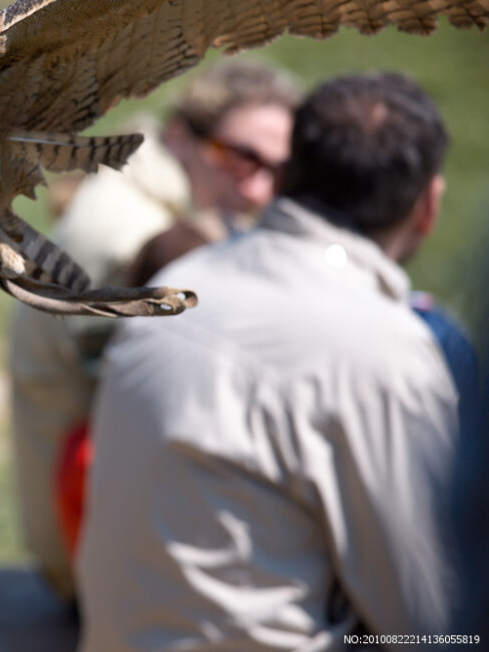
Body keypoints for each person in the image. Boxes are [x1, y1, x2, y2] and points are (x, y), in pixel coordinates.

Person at [78, 72, 460, 650]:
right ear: (428, 205)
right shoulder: (387, 349)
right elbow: (434, 620)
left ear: (287, 171)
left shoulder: (181, 284)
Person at [8, 60, 301, 598]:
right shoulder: (144, 237)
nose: (259, 190)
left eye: (278, 171)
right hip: (94, 558)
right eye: (238, 159)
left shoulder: (134, 191)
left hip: (74, 521)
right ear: (179, 137)